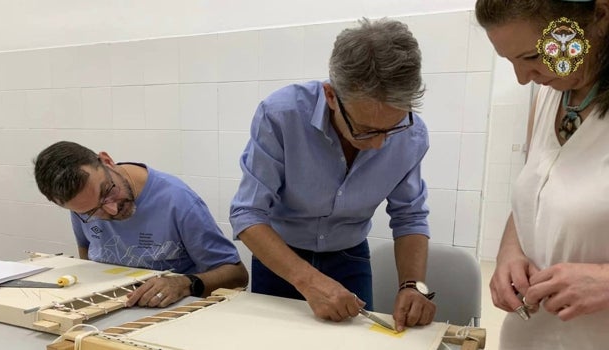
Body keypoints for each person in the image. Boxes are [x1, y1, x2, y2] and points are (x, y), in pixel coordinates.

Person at [230, 18, 435, 332]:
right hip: (281, 261)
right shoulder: (280, 116)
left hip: (349, 257)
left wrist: (412, 285)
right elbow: (248, 213)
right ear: (330, 96)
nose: (380, 144)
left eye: (391, 129)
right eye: (365, 130)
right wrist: (308, 281)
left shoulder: (412, 136)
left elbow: (410, 216)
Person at [475, 0, 609, 348]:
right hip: (529, 337)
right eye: (511, 62)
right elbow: (534, 198)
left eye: (533, 57)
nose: (523, 80)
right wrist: (510, 252)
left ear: (601, 16)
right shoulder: (550, 98)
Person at [34, 141, 249, 308]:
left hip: (172, 317)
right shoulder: (82, 206)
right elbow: (88, 256)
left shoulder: (177, 200)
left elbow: (237, 276)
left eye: (108, 192)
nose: (111, 210)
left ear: (107, 161)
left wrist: (185, 284)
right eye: (92, 211)